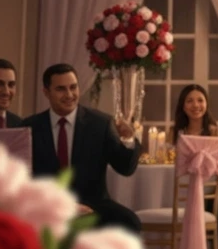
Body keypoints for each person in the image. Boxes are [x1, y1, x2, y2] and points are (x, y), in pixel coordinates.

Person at [24, 63, 141, 232]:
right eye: (61, 89)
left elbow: (125, 168)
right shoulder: (30, 127)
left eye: (73, 87)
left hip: (93, 205)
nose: (69, 95)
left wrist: (129, 139)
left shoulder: (100, 123)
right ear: (46, 92)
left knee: (130, 222)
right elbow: (23, 178)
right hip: (47, 205)